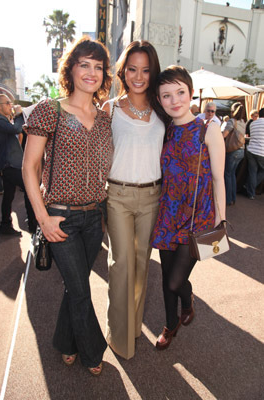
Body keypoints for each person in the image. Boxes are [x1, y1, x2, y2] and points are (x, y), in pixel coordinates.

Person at [22, 36, 112, 376]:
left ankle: (66, 342)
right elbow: (29, 166)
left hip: (94, 216)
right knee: (80, 290)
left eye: (98, 67)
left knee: (76, 286)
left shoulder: (104, 119)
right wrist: (43, 218)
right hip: (60, 217)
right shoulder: (51, 109)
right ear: (71, 69)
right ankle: (93, 352)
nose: (91, 72)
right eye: (84, 64)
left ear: (104, 75)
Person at [151, 65, 226, 350]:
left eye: (180, 92)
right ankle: (170, 326)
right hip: (168, 216)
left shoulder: (209, 130)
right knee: (164, 279)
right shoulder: (165, 130)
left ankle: (189, 299)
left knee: (175, 282)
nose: (175, 100)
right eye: (167, 95)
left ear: (191, 93)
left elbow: (219, 179)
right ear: (159, 100)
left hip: (198, 218)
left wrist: (221, 222)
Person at [102, 40, 165, 360]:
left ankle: (133, 324)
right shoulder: (109, 108)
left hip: (153, 197)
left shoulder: (163, 109)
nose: (138, 76)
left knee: (142, 266)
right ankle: (120, 335)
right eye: (132, 69)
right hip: (117, 197)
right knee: (121, 264)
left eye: (145, 70)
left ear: (153, 72)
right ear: (123, 71)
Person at [0, 94, 36, 235]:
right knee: (29, 190)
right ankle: (33, 224)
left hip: (7, 164)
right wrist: (20, 115)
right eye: (7, 103)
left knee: (8, 195)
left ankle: (5, 225)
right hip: (10, 165)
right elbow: (16, 129)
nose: (11, 105)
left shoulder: (3, 120)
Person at [223, 102, 246, 206]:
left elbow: (224, 134)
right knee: (232, 174)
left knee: (227, 174)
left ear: (233, 111)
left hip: (233, 151)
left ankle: (228, 199)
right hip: (241, 150)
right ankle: (232, 198)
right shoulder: (243, 122)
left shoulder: (232, 121)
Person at [246, 107, 264, 199]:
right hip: (262, 152)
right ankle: (250, 187)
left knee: (252, 172)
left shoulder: (253, 123)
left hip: (251, 149)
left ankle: (251, 193)